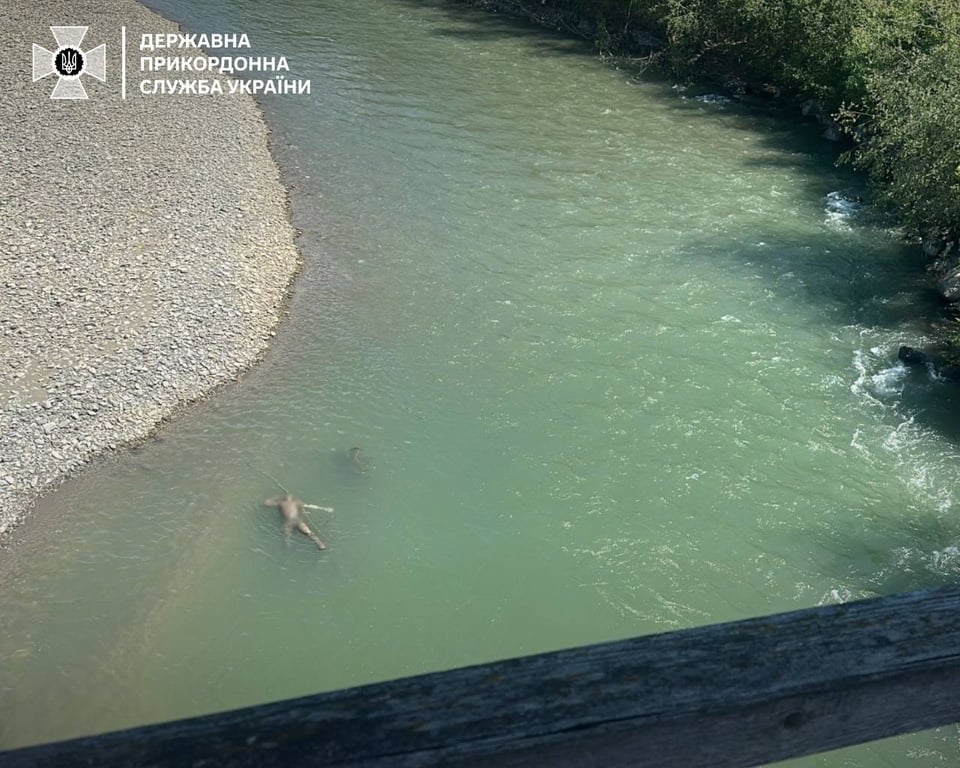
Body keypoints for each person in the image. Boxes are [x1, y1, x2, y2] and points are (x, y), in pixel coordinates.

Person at [263, 494, 332, 551]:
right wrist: (324, 509)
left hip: (289, 522)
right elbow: (309, 506)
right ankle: (319, 543)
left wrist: (275, 497)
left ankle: (287, 548)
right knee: (309, 533)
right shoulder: (296, 502)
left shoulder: (281, 503)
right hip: (297, 520)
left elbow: (266, 503)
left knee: (287, 536)